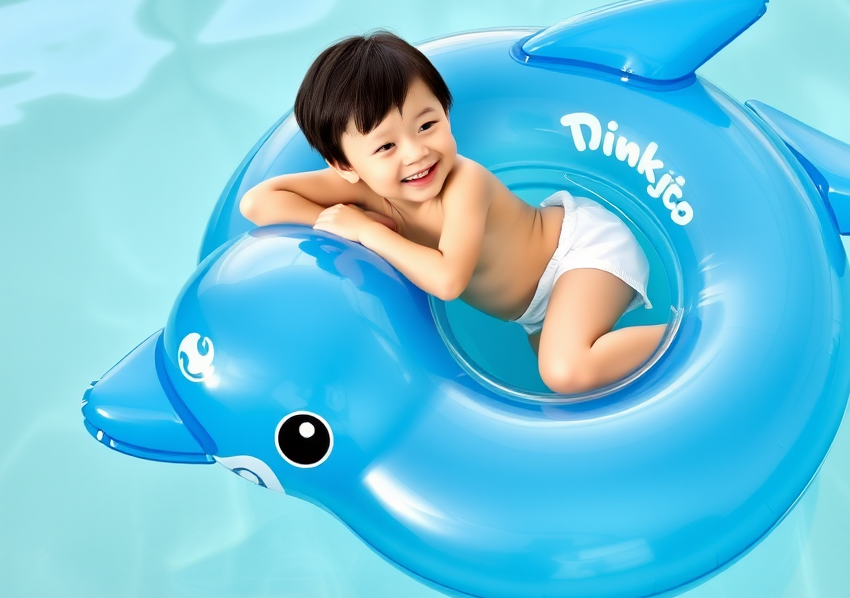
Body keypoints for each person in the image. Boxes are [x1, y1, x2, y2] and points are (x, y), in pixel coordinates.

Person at [240, 32, 666, 393]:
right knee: (568, 384)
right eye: (386, 147)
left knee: (565, 371)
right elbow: (258, 203)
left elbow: (447, 280)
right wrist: (336, 221)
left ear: (446, 112)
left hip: (576, 252)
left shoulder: (467, 182)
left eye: (427, 125)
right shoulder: (363, 188)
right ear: (346, 166)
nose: (416, 153)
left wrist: (367, 231)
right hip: (533, 308)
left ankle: (697, 337)